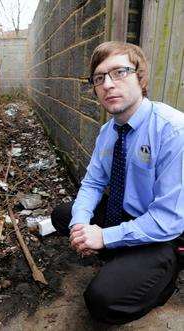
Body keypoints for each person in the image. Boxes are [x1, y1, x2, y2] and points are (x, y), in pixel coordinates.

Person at [51, 41, 184, 325]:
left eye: (119, 72)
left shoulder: (173, 131)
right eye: (99, 78)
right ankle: (119, 255)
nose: (108, 84)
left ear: (140, 77)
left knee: (102, 300)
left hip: (163, 233)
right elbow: (92, 184)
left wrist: (104, 237)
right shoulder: (108, 132)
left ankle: (165, 279)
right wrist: (80, 226)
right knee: (64, 215)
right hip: (123, 215)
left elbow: (168, 219)